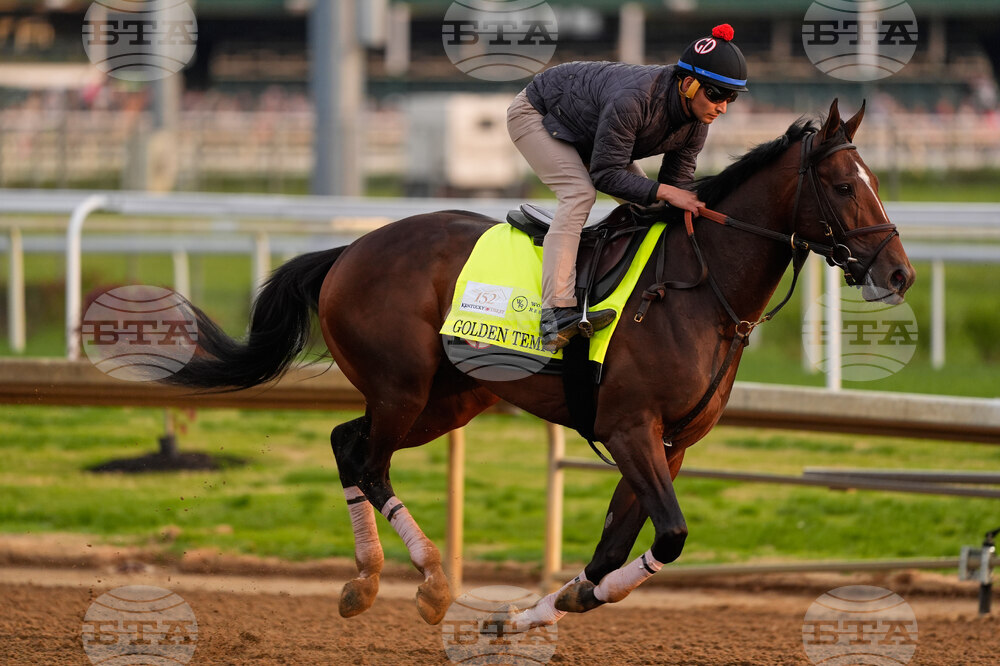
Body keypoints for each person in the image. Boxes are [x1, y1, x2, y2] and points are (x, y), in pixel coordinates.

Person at [507, 24, 749, 352]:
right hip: (538, 113)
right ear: (689, 84)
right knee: (579, 194)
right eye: (717, 95)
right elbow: (605, 175)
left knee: (655, 208)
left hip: (589, 129)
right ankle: (555, 311)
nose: (722, 107)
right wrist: (664, 191)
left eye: (730, 97)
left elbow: (676, 189)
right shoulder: (635, 100)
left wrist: (680, 200)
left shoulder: (696, 125)